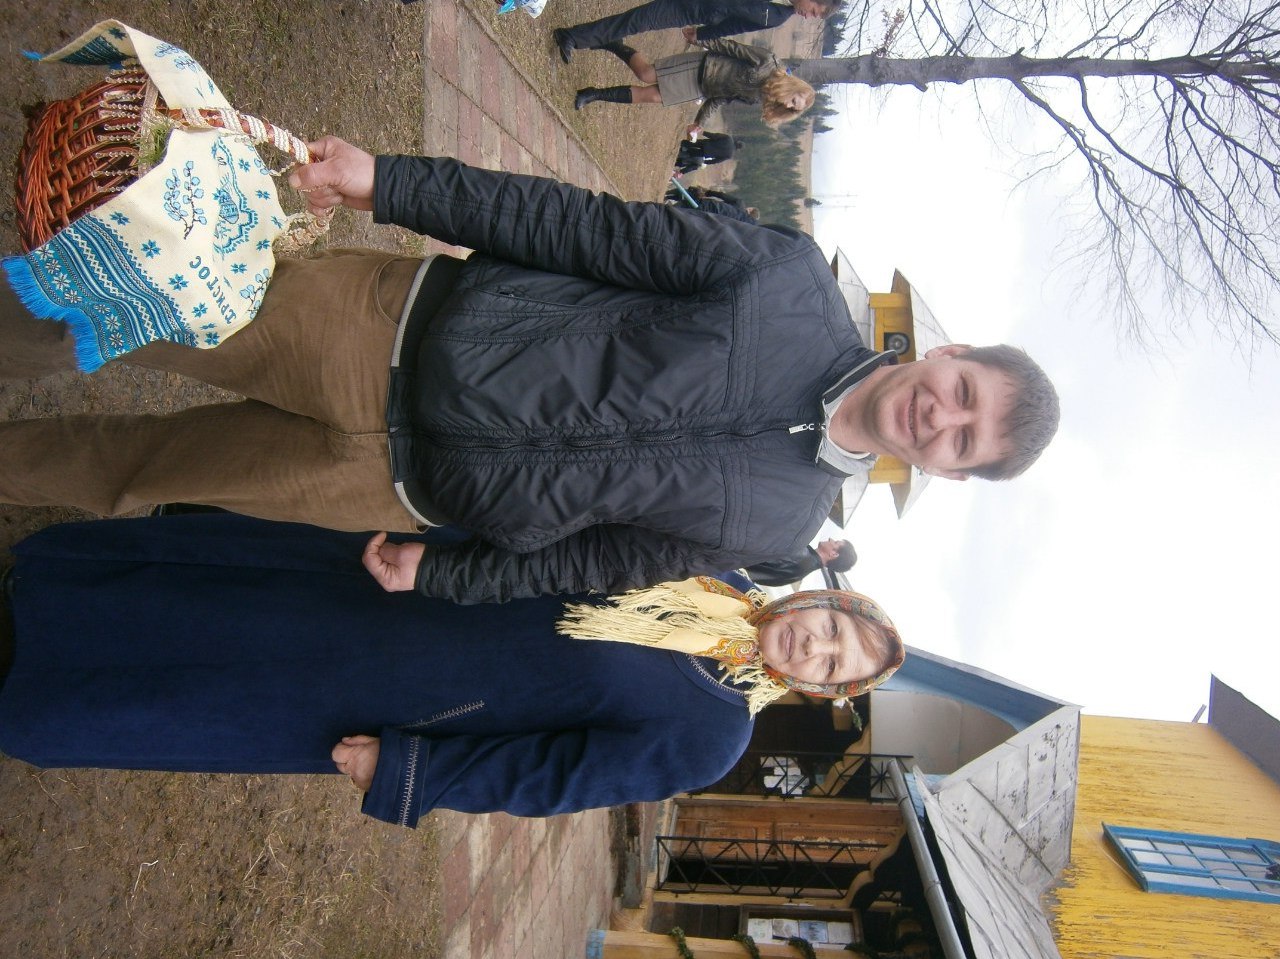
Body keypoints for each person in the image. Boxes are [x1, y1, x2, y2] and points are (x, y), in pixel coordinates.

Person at [0, 136, 1061, 604]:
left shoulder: (778, 527)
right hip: (380, 331)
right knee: (134, 305)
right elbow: (577, 228)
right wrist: (394, 184)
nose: (942, 419)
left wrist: (447, 574)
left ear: (949, 471)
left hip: (386, 487)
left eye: (963, 442)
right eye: (963, 395)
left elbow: (599, 561)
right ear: (948, 352)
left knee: (139, 474)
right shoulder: (783, 281)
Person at [0, 513, 905, 827]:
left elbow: (552, 776)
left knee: (206, 698)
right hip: (396, 597)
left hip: (399, 696)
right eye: (832, 628)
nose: (815, 647)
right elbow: (569, 540)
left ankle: (31, 691)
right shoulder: (712, 573)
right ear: (818, 599)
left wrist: (411, 769)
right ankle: (45, 597)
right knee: (218, 601)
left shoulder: (712, 735)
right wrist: (438, 552)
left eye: (833, 667)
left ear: (820, 690)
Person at [573, 38, 816, 132]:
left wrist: (700, 123)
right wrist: (701, 38)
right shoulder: (768, 63)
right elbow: (733, 48)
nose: (788, 104)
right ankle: (612, 43)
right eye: (794, 100)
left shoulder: (757, 98)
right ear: (794, 88)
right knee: (646, 74)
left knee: (652, 96)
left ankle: (593, 94)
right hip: (703, 66)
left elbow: (720, 99)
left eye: (792, 108)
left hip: (702, 89)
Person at [552, 0, 842, 63]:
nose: (808, 16)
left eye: (814, 17)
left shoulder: (778, 17)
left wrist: (702, 34)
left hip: (694, 10)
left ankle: (572, 37)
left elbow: (736, 25)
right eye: (814, 11)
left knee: (636, 22)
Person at [746, 538, 856, 587]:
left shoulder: (800, 554)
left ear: (834, 554)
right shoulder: (804, 567)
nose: (830, 539)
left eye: (835, 542)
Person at [676, 131, 742, 174]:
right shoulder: (730, 155)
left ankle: (678, 143)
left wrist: (704, 133)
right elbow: (717, 160)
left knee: (691, 143)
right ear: (738, 149)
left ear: (737, 142)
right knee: (691, 153)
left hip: (706, 143)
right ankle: (678, 155)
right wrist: (706, 162)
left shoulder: (728, 138)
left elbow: (715, 136)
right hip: (706, 153)